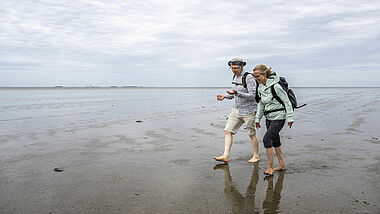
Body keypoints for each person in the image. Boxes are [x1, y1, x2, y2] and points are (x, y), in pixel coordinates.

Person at [214, 57, 260, 163]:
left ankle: (256, 156)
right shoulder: (234, 76)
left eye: (236, 68)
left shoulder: (248, 77)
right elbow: (234, 93)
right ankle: (225, 155)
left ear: (242, 66)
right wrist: (225, 96)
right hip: (236, 109)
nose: (234, 70)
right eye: (232, 68)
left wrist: (237, 94)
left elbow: (252, 95)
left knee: (251, 133)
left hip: (249, 111)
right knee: (227, 131)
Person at [253, 64, 294, 176]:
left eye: (257, 76)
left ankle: (270, 168)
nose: (256, 79)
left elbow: (286, 102)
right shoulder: (260, 87)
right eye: (254, 77)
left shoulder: (276, 86)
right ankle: (282, 165)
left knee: (267, 139)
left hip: (279, 117)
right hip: (268, 117)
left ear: (264, 74)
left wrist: (290, 117)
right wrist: (258, 118)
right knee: (276, 141)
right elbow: (261, 104)